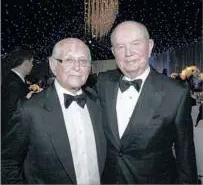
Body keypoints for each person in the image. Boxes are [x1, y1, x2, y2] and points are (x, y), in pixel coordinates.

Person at [95, 21, 197, 184]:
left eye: (135, 44)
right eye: (120, 47)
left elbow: (185, 156)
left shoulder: (175, 92)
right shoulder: (103, 83)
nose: (128, 53)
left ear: (149, 46)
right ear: (113, 52)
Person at [2, 38, 106, 184]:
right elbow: (7, 164)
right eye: (68, 60)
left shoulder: (98, 103)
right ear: (53, 65)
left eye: (83, 61)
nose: (77, 67)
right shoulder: (30, 110)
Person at [1, 47, 34, 136]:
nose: (33, 65)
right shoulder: (13, 83)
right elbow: (10, 114)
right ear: (26, 63)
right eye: (32, 62)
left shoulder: (14, 79)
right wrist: (28, 99)